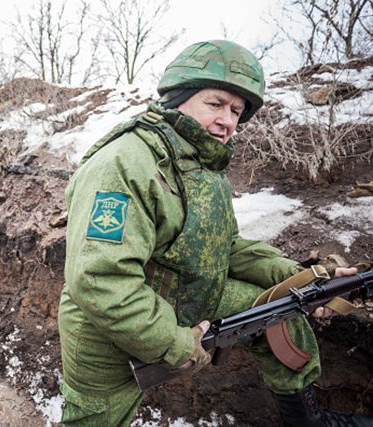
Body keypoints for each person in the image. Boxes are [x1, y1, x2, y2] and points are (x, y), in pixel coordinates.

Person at [58, 40, 372, 426]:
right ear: (180, 97)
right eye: (215, 103)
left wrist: (306, 279)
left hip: (181, 298)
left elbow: (225, 248)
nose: (228, 120)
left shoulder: (204, 165)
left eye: (237, 110)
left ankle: (306, 419)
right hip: (103, 337)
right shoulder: (125, 163)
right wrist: (174, 343)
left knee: (278, 312)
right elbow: (99, 279)